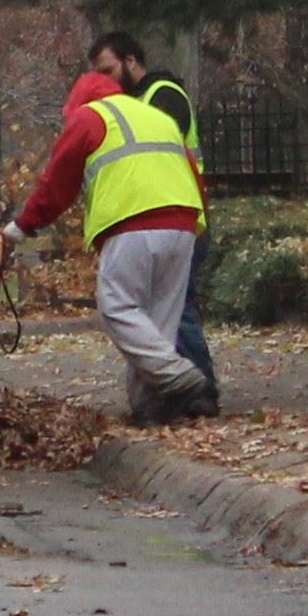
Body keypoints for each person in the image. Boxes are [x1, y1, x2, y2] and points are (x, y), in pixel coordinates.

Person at [0, 70, 217, 425]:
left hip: (131, 220)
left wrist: (23, 225)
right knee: (159, 320)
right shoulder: (156, 117)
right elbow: (191, 171)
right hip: (183, 222)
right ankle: (151, 406)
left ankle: (177, 373)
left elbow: (58, 181)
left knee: (117, 307)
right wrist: (198, 226)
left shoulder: (90, 117)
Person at [89, 32, 217, 392]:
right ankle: (176, 388)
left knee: (177, 308)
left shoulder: (163, 96)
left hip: (182, 214)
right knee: (164, 310)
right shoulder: (139, 102)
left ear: (131, 61)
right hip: (174, 214)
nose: (104, 80)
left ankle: (199, 387)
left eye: (108, 70)